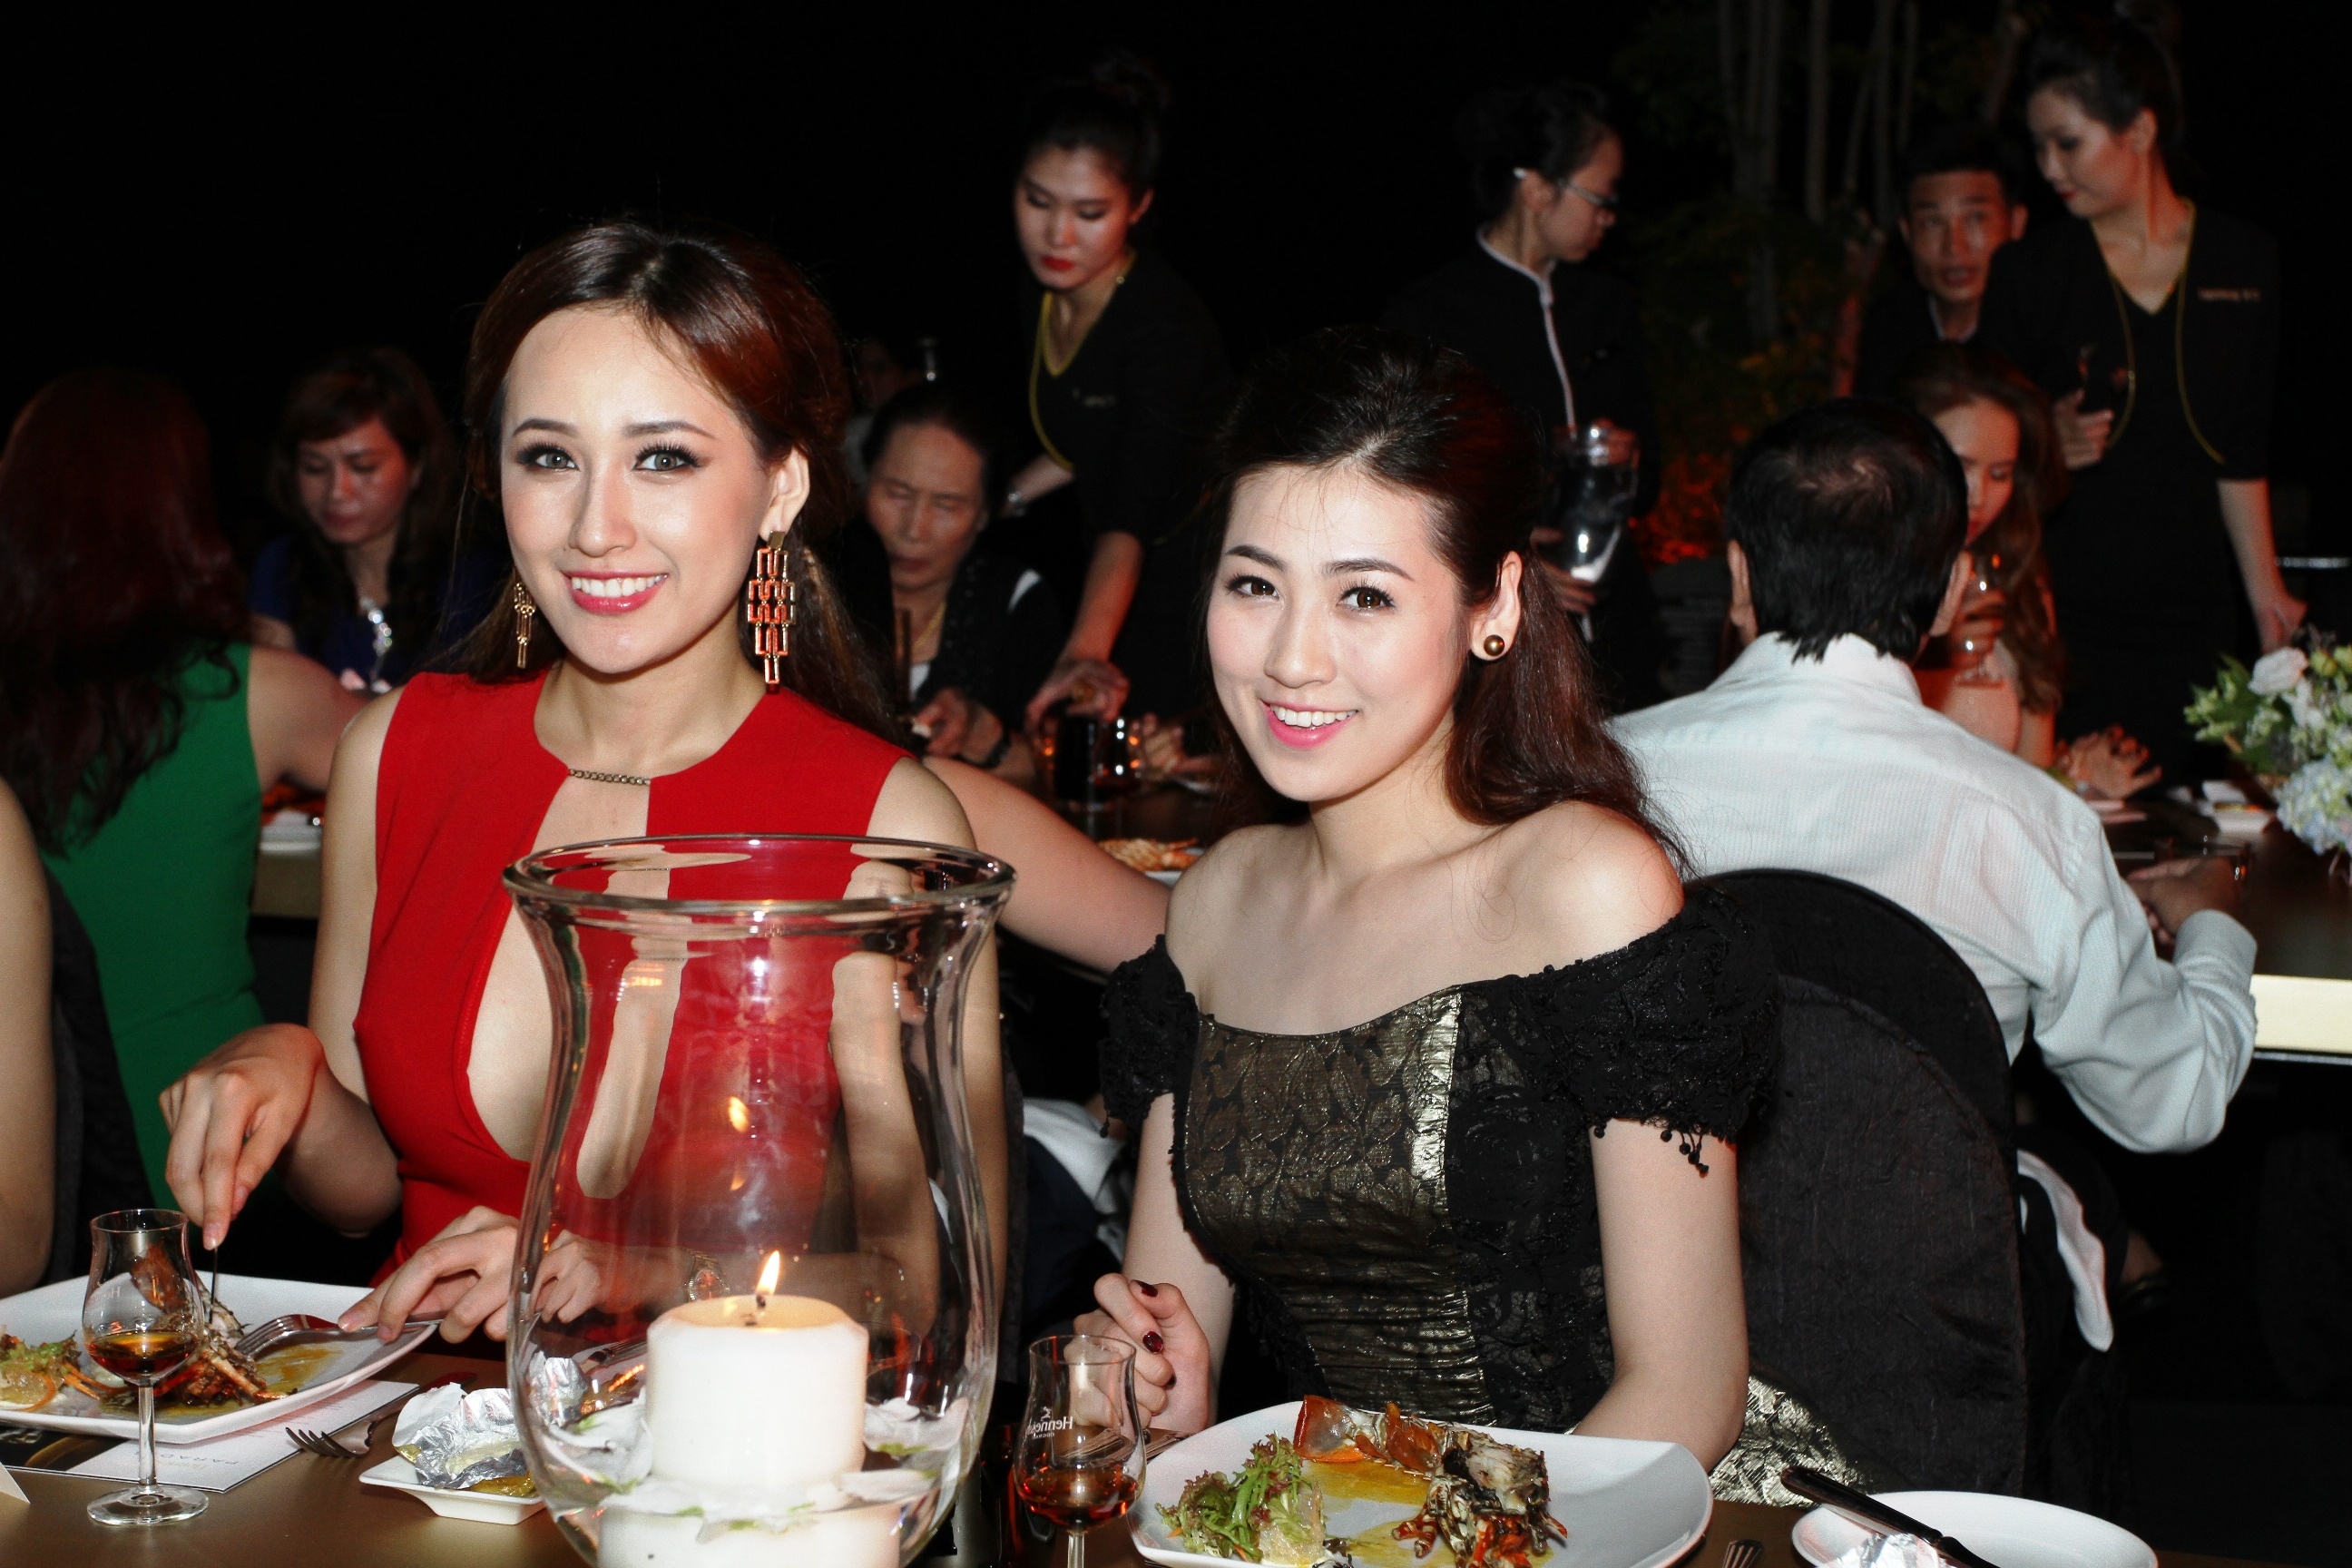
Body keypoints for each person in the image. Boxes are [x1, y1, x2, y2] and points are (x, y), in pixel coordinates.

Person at [158, 223, 1003, 1345]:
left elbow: (930, 1290)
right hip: (415, 1423)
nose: (597, 529)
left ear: (781, 485)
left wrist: (636, 1272)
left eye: (664, 459)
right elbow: (364, 1195)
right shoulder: (397, 751)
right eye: (550, 458)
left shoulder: (882, 826)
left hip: (714, 1437)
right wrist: (295, 1077)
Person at [1076, 327, 1777, 1466]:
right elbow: (1170, 1342)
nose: (1293, 658)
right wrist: (1145, 1391)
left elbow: (1688, 1392)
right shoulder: (1214, 907)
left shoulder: (1585, 886)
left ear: (1494, 603)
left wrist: (1436, 1536)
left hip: (1628, 1507)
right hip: (1333, 1515)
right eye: (1255, 584)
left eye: (1364, 596)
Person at [1614, 399, 2257, 1155]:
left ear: (1739, 576)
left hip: (1653, 1226)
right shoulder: (2027, 823)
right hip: (1932, 1227)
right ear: (1954, 590)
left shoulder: (1601, 777)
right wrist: (2214, 924)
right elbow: (2174, 1103)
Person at [0, 371, 359, 1199]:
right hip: (201, 1146)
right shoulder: (258, 691)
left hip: (27, 1152)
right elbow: (446, 765)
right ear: (181, 508)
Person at [1979, 15, 2297, 779]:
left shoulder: (2243, 261)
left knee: (2205, 814)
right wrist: (2042, 437)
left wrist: (2270, 603)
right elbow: (1975, 438)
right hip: (2069, 618)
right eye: (2039, 147)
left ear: (2140, 130)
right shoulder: (2031, 272)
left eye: (2068, 143)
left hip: (2197, 618)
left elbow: (2242, 451)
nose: (2050, 167)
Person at [1384, 80, 1667, 710]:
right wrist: (1505, 556)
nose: (1608, 217)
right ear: (1538, 189)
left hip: (1615, 633)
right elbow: (1410, 486)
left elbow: (1650, 480)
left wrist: (1624, 459)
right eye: (1600, 198)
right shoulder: (1432, 314)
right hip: (1497, 642)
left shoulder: (1605, 306)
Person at [1006, 52, 1234, 728]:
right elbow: (1086, 435)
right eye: (1037, 200)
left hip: (1198, 574)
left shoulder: (1162, 330)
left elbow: (1132, 506)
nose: (1056, 235)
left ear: (1138, 207)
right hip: (1113, 561)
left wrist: (1084, 651)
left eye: (1089, 212)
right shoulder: (1043, 290)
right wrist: (999, 500)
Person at [1896, 342, 2158, 798]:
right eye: (1959, 467)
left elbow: (2029, 779)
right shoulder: (1862, 578)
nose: (1978, 496)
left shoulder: (2019, 582)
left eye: (2000, 474)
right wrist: (1937, 659)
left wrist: (2079, 779)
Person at [250, 348, 503, 692]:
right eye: (314, 468)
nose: (337, 491)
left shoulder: (479, 575)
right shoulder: (282, 569)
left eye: (363, 467)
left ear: (417, 465)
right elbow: (275, 704)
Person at [863, 383, 1063, 781]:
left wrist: (983, 737)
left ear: (984, 514)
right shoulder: (806, 589)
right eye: (898, 494)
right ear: (864, 482)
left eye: (946, 505)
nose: (914, 529)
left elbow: (1059, 766)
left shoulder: (1015, 602)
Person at [1852, 121, 2031, 399]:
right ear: (1907, 233)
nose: (1954, 247)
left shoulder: (2045, 336)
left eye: (1975, 218)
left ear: (2016, 223)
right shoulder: (1889, 327)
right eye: (1932, 222)